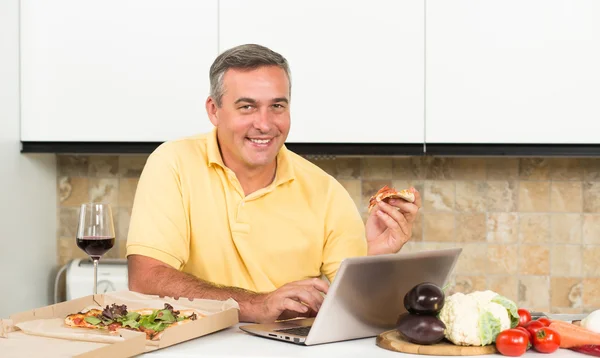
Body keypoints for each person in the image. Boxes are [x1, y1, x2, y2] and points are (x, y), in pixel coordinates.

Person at [126, 44, 421, 324]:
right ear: (214, 110)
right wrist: (257, 304)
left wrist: (373, 256)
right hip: (194, 346)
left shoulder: (325, 191)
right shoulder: (173, 163)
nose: (265, 124)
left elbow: (357, 308)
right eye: (247, 107)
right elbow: (146, 279)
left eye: (277, 106)